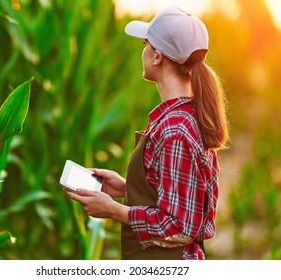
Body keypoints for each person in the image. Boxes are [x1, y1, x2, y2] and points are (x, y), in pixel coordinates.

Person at [64, 6, 229, 260]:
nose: (143, 50)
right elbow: (179, 196)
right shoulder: (182, 120)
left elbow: (179, 226)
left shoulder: (175, 130)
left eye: (145, 44)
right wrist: (126, 188)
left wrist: (115, 210)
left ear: (157, 57)